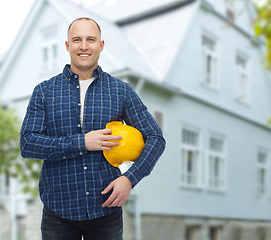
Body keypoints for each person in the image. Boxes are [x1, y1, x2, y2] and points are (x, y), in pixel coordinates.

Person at [20, 17, 165, 240]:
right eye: (77, 40)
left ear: (101, 45)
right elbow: (28, 143)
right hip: (57, 210)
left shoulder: (121, 91)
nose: (84, 46)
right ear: (67, 46)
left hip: (106, 209)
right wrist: (82, 142)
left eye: (91, 39)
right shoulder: (44, 91)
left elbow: (155, 137)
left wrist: (129, 179)